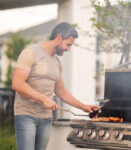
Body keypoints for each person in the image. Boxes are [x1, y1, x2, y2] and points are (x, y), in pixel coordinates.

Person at [12, 22, 98, 150]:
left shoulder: (57, 62)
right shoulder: (30, 53)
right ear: (58, 38)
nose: (68, 49)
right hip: (26, 114)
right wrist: (44, 99)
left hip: (46, 118)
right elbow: (17, 83)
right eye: (68, 45)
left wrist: (84, 107)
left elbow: (61, 91)